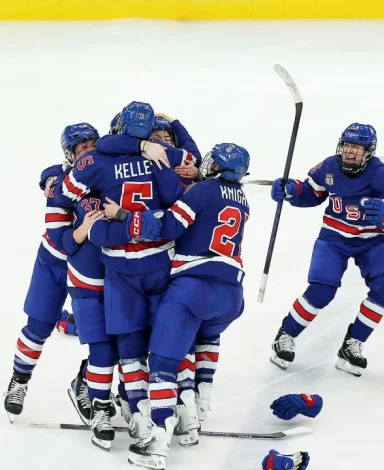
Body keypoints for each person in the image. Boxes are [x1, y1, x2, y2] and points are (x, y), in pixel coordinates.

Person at [107, 143, 250, 468]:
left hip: (193, 289)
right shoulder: (242, 200)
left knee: (162, 363)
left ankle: (157, 442)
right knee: (203, 340)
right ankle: (195, 416)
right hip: (231, 296)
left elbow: (167, 228)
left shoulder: (202, 192)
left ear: (214, 166)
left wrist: (123, 214)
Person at [52, 101, 186, 440]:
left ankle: (131, 402)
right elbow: (179, 186)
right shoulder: (158, 158)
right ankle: (146, 405)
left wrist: (113, 219)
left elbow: (63, 193)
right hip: (153, 261)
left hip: (118, 267)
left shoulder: (98, 162)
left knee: (128, 341)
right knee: (140, 341)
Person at [269, 123, 384, 377]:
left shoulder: (382, 174)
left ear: (369, 151)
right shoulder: (329, 166)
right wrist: (291, 191)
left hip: (374, 240)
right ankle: (285, 334)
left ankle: (353, 343)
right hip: (334, 237)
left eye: (357, 147)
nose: (350, 152)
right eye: (347, 145)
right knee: (321, 290)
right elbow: (311, 192)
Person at [2, 125, 92, 422]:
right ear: (71, 154)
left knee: (104, 335)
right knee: (39, 324)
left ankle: (86, 381)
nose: (89, 150)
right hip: (55, 261)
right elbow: (63, 239)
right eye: (82, 147)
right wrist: (50, 175)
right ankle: (20, 379)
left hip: (91, 265)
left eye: (93, 144)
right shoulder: (61, 182)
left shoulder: (106, 172)